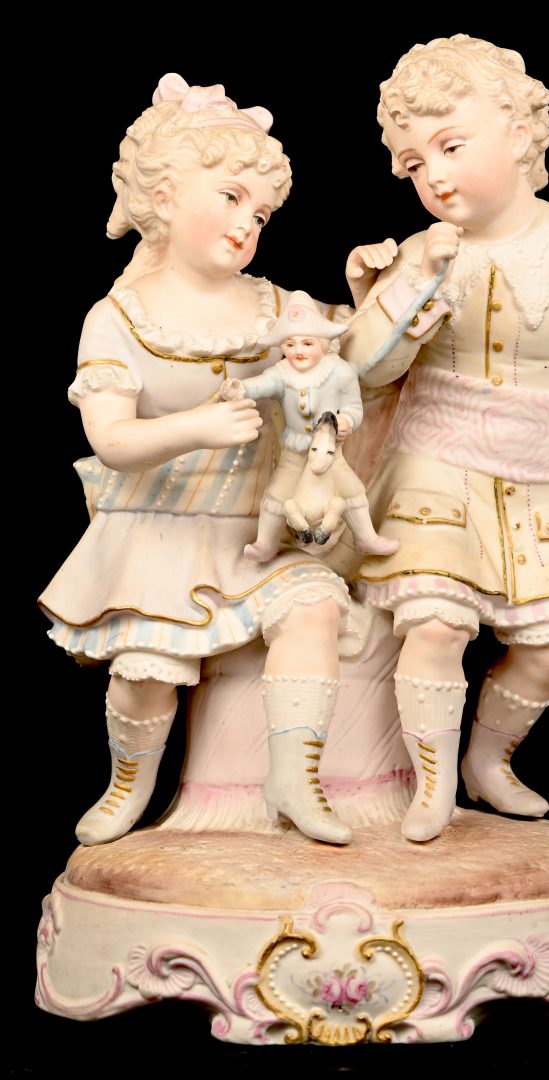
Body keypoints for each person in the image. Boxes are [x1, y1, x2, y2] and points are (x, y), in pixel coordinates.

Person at [342, 34, 549, 842]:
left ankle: (488, 761)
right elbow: (364, 373)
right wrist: (404, 292)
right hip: (435, 460)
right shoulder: (418, 255)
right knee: (435, 622)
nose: (433, 176)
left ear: (519, 135)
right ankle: (429, 787)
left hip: (541, 475)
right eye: (413, 163)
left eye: (450, 147)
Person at [39, 73, 356, 848]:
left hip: (253, 534)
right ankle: (128, 782)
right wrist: (198, 425)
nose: (248, 223)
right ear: (166, 195)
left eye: (262, 212)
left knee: (314, 608)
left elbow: (354, 356)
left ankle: (296, 777)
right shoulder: (119, 318)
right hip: (157, 532)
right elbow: (111, 439)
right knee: (147, 672)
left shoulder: (276, 308)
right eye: (231, 197)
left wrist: (370, 287)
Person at [224, 290, 399, 561]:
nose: (298, 351)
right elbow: (262, 385)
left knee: (351, 489)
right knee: (278, 491)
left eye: (307, 343)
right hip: (295, 449)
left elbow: (354, 407)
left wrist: (346, 420)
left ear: (323, 343)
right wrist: (241, 388)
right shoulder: (281, 373)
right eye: (290, 344)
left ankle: (366, 537)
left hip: (330, 449)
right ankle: (265, 543)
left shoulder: (341, 372)